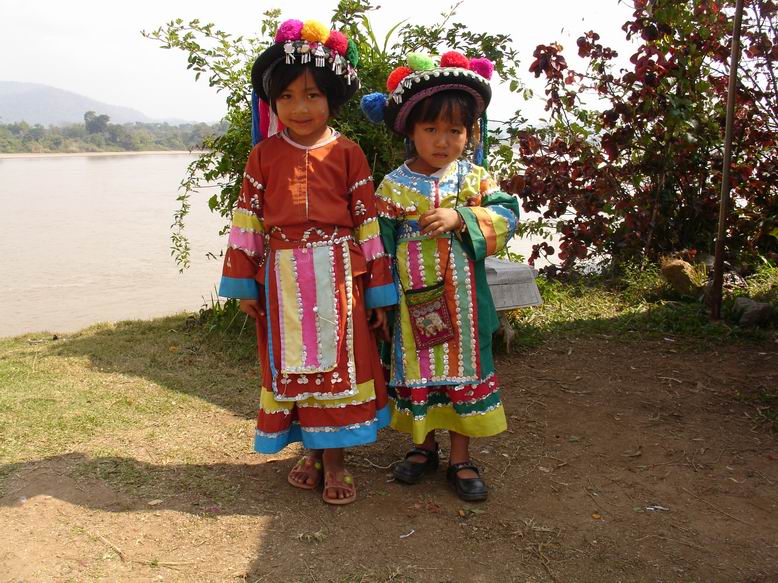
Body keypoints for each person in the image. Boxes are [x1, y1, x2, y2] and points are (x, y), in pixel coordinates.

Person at [219, 19, 396, 505]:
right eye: (289, 97)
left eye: (313, 95)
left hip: (339, 278)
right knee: (291, 368)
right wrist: (243, 286)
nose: (301, 107)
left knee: (341, 365)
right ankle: (312, 453)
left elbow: (367, 223)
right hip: (279, 280)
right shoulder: (262, 157)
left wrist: (377, 290)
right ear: (273, 103)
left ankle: (336, 460)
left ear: (332, 99)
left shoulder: (349, 153)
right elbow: (248, 223)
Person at [361, 50, 520, 501]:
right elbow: (376, 245)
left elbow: (508, 213)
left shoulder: (475, 180)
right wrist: (382, 299)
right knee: (418, 374)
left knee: (462, 375)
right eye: (431, 129)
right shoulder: (392, 187)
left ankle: (461, 458)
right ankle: (421, 447)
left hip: (464, 305)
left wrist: (461, 219)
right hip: (413, 306)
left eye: (455, 130)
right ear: (411, 131)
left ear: (470, 134)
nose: (443, 140)